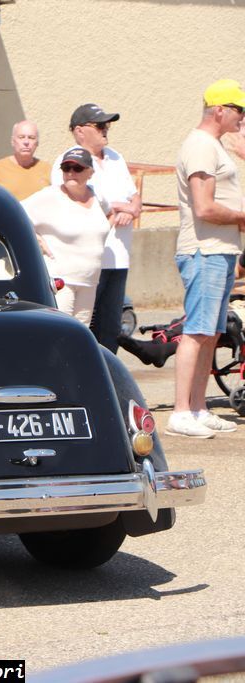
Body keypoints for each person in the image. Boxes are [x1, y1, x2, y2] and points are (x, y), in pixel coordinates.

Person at [165, 79, 245, 438]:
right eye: (239, 111)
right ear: (220, 110)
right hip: (204, 251)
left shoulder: (213, 146)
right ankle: (181, 411)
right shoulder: (200, 146)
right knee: (196, 333)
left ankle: (198, 408)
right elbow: (204, 207)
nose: (242, 118)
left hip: (220, 251)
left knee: (210, 334)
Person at [50, 104, 142, 354]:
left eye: (107, 126)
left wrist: (129, 208)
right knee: (83, 326)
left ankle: (107, 383)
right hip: (88, 260)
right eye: (100, 126)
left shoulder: (115, 157)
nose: (106, 131)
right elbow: (75, 203)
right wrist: (120, 207)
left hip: (118, 257)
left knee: (111, 329)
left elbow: (135, 197)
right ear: (80, 131)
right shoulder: (70, 163)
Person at [22, 148, 111, 324]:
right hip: (62, 281)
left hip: (90, 280)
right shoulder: (50, 196)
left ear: (90, 173)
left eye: (77, 168)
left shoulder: (96, 196)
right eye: (66, 168)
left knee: (82, 334)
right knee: (60, 331)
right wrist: (36, 239)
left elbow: (110, 214)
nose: (70, 173)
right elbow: (14, 213)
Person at [0, 120, 50, 200]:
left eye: (31, 138)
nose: (26, 142)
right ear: (12, 141)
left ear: (37, 143)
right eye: (21, 137)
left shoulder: (48, 170)